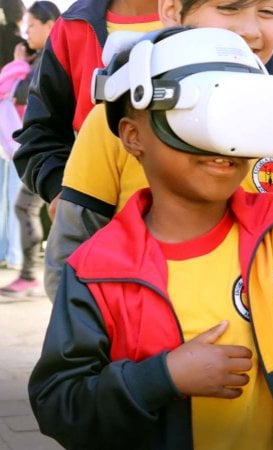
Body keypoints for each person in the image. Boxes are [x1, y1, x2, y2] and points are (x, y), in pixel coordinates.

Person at [28, 26, 273, 449]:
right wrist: (160, 378)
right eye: (195, 117)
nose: (221, 142)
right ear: (133, 137)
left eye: (235, 115)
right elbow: (59, 404)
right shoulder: (95, 271)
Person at [42, 0, 273, 301]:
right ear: (173, 11)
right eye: (229, 8)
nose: (251, 30)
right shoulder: (122, 120)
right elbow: (70, 255)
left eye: (268, 12)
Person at [12, 0, 161, 217]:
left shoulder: (214, 15)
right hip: (101, 233)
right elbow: (40, 132)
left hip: (217, 232)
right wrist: (60, 193)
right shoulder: (73, 26)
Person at [0, 2, 59, 296]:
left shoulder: (53, 55)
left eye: (31, 25)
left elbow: (24, 92)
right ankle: (33, 275)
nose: (26, 32)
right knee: (30, 208)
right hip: (46, 150)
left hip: (54, 151)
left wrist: (19, 64)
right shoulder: (43, 57)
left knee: (29, 207)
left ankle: (32, 276)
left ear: (50, 25)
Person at [0, 0, 25, 271]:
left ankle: (3, 249)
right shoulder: (21, 46)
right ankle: (15, 255)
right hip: (15, 126)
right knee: (16, 193)